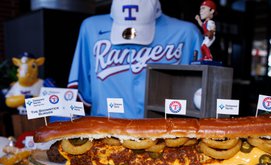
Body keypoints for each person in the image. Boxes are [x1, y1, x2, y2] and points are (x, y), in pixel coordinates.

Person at [68, 0, 202, 119]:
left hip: (164, 136)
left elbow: (200, 98)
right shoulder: (91, 28)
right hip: (105, 135)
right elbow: (82, 95)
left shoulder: (187, 33)